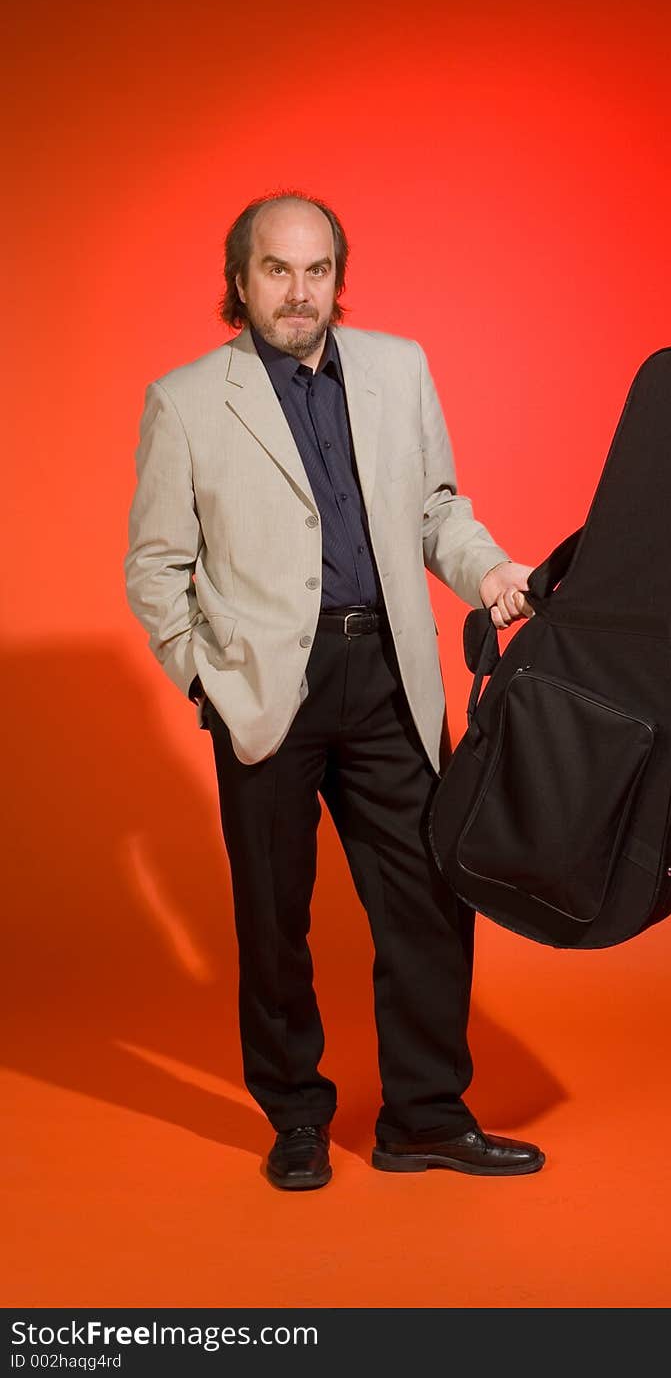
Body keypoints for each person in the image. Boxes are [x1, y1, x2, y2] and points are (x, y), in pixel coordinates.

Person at [124, 189, 542, 1190]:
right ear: (241, 281)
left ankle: (423, 1118)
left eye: (317, 270)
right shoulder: (186, 398)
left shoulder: (399, 370)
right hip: (265, 684)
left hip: (388, 671)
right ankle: (297, 1117)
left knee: (432, 898)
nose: (299, 291)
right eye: (276, 269)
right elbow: (155, 566)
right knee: (275, 917)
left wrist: (485, 568)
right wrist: (207, 678)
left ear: (336, 279)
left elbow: (439, 509)